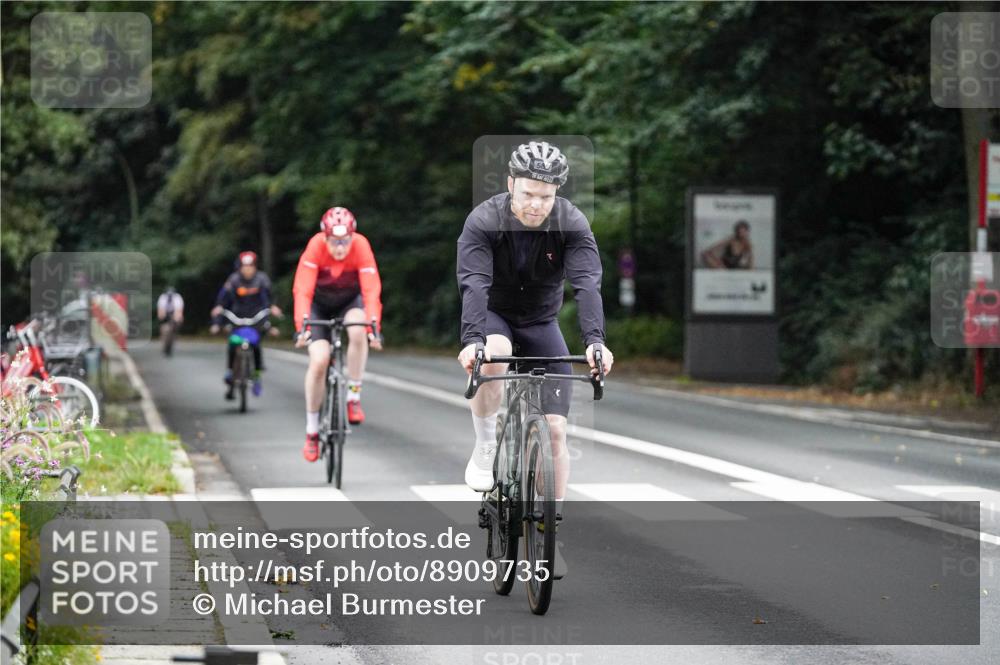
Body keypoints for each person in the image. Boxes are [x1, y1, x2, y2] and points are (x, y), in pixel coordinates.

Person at [456, 140, 615, 511]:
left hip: (541, 321)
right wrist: (472, 340)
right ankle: (485, 444)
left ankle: (550, 528)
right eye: (528, 193)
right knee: (495, 355)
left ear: (556, 191)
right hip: (494, 315)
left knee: (556, 430)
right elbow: (474, 283)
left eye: (546, 197)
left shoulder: (571, 222)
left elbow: (587, 282)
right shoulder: (484, 220)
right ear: (511, 184)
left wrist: (595, 341)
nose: (536, 205)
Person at [293, 206, 383, 463]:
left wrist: (374, 325)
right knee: (319, 360)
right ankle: (311, 432)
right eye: (335, 241)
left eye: (345, 241)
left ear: (352, 237)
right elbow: (303, 290)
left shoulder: (361, 246)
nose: (341, 247)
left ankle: (353, 395)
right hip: (318, 305)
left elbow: (371, 290)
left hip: (348, 303)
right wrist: (303, 325)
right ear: (325, 237)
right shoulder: (315, 247)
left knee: (359, 328)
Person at [209, 251, 282, 399]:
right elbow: (223, 298)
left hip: (256, 318)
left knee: (255, 345)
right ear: (240, 267)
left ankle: (256, 373)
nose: (247, 269)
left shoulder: (262, 279)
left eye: (250, 266)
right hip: (237, 318)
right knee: (232, 344)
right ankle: (230, 371)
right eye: (244, 266)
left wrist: (273, 307)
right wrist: (218, 311)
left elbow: (269, 297)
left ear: (255, 267)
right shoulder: (234, 280)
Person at [156, 286, 184, 356]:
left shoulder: (178, 298)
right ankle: (164, 346)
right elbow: (160, 310)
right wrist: (162, 317)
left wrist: (176, 318)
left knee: (173, 331)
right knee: (164, 331)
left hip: (174, 314)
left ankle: (170, 346)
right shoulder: (162, 297)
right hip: (165, 315)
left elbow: (179, 310)